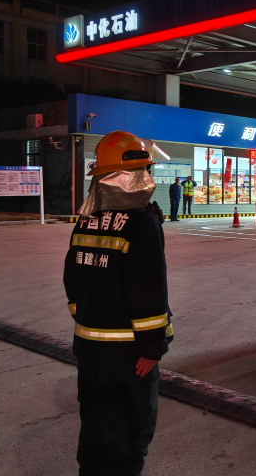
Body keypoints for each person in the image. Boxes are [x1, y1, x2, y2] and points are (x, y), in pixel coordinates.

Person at [63, 130, 174, 476]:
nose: (149, 178)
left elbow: (71, 280)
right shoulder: (141, 225)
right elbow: (148, 291)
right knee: (129, 431)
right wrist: (153, 346)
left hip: (89, 350)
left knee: (95, 425)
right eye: (145, 171)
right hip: (130, 356)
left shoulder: (86, 221)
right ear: (128, 177)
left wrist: (88, 319)